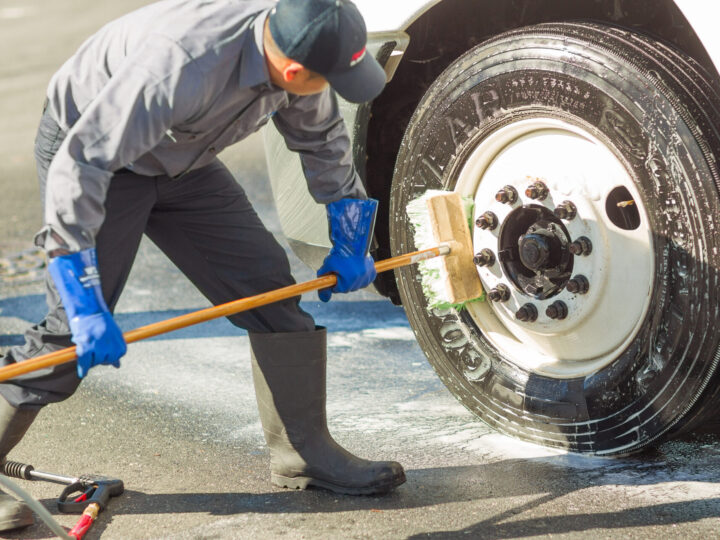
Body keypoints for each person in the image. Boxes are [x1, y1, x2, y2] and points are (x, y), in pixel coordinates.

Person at [0, 0, 406, 531]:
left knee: (270, 292)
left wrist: (352, 236)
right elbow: (82, 166)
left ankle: (304, 452)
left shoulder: (295, 49)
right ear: (291, 71)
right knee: (67, 338)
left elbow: (322, 141)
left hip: (182, 158)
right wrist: (83, 301)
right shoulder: (177, 67)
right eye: (330, 79)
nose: (332, 88)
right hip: (97, 157)